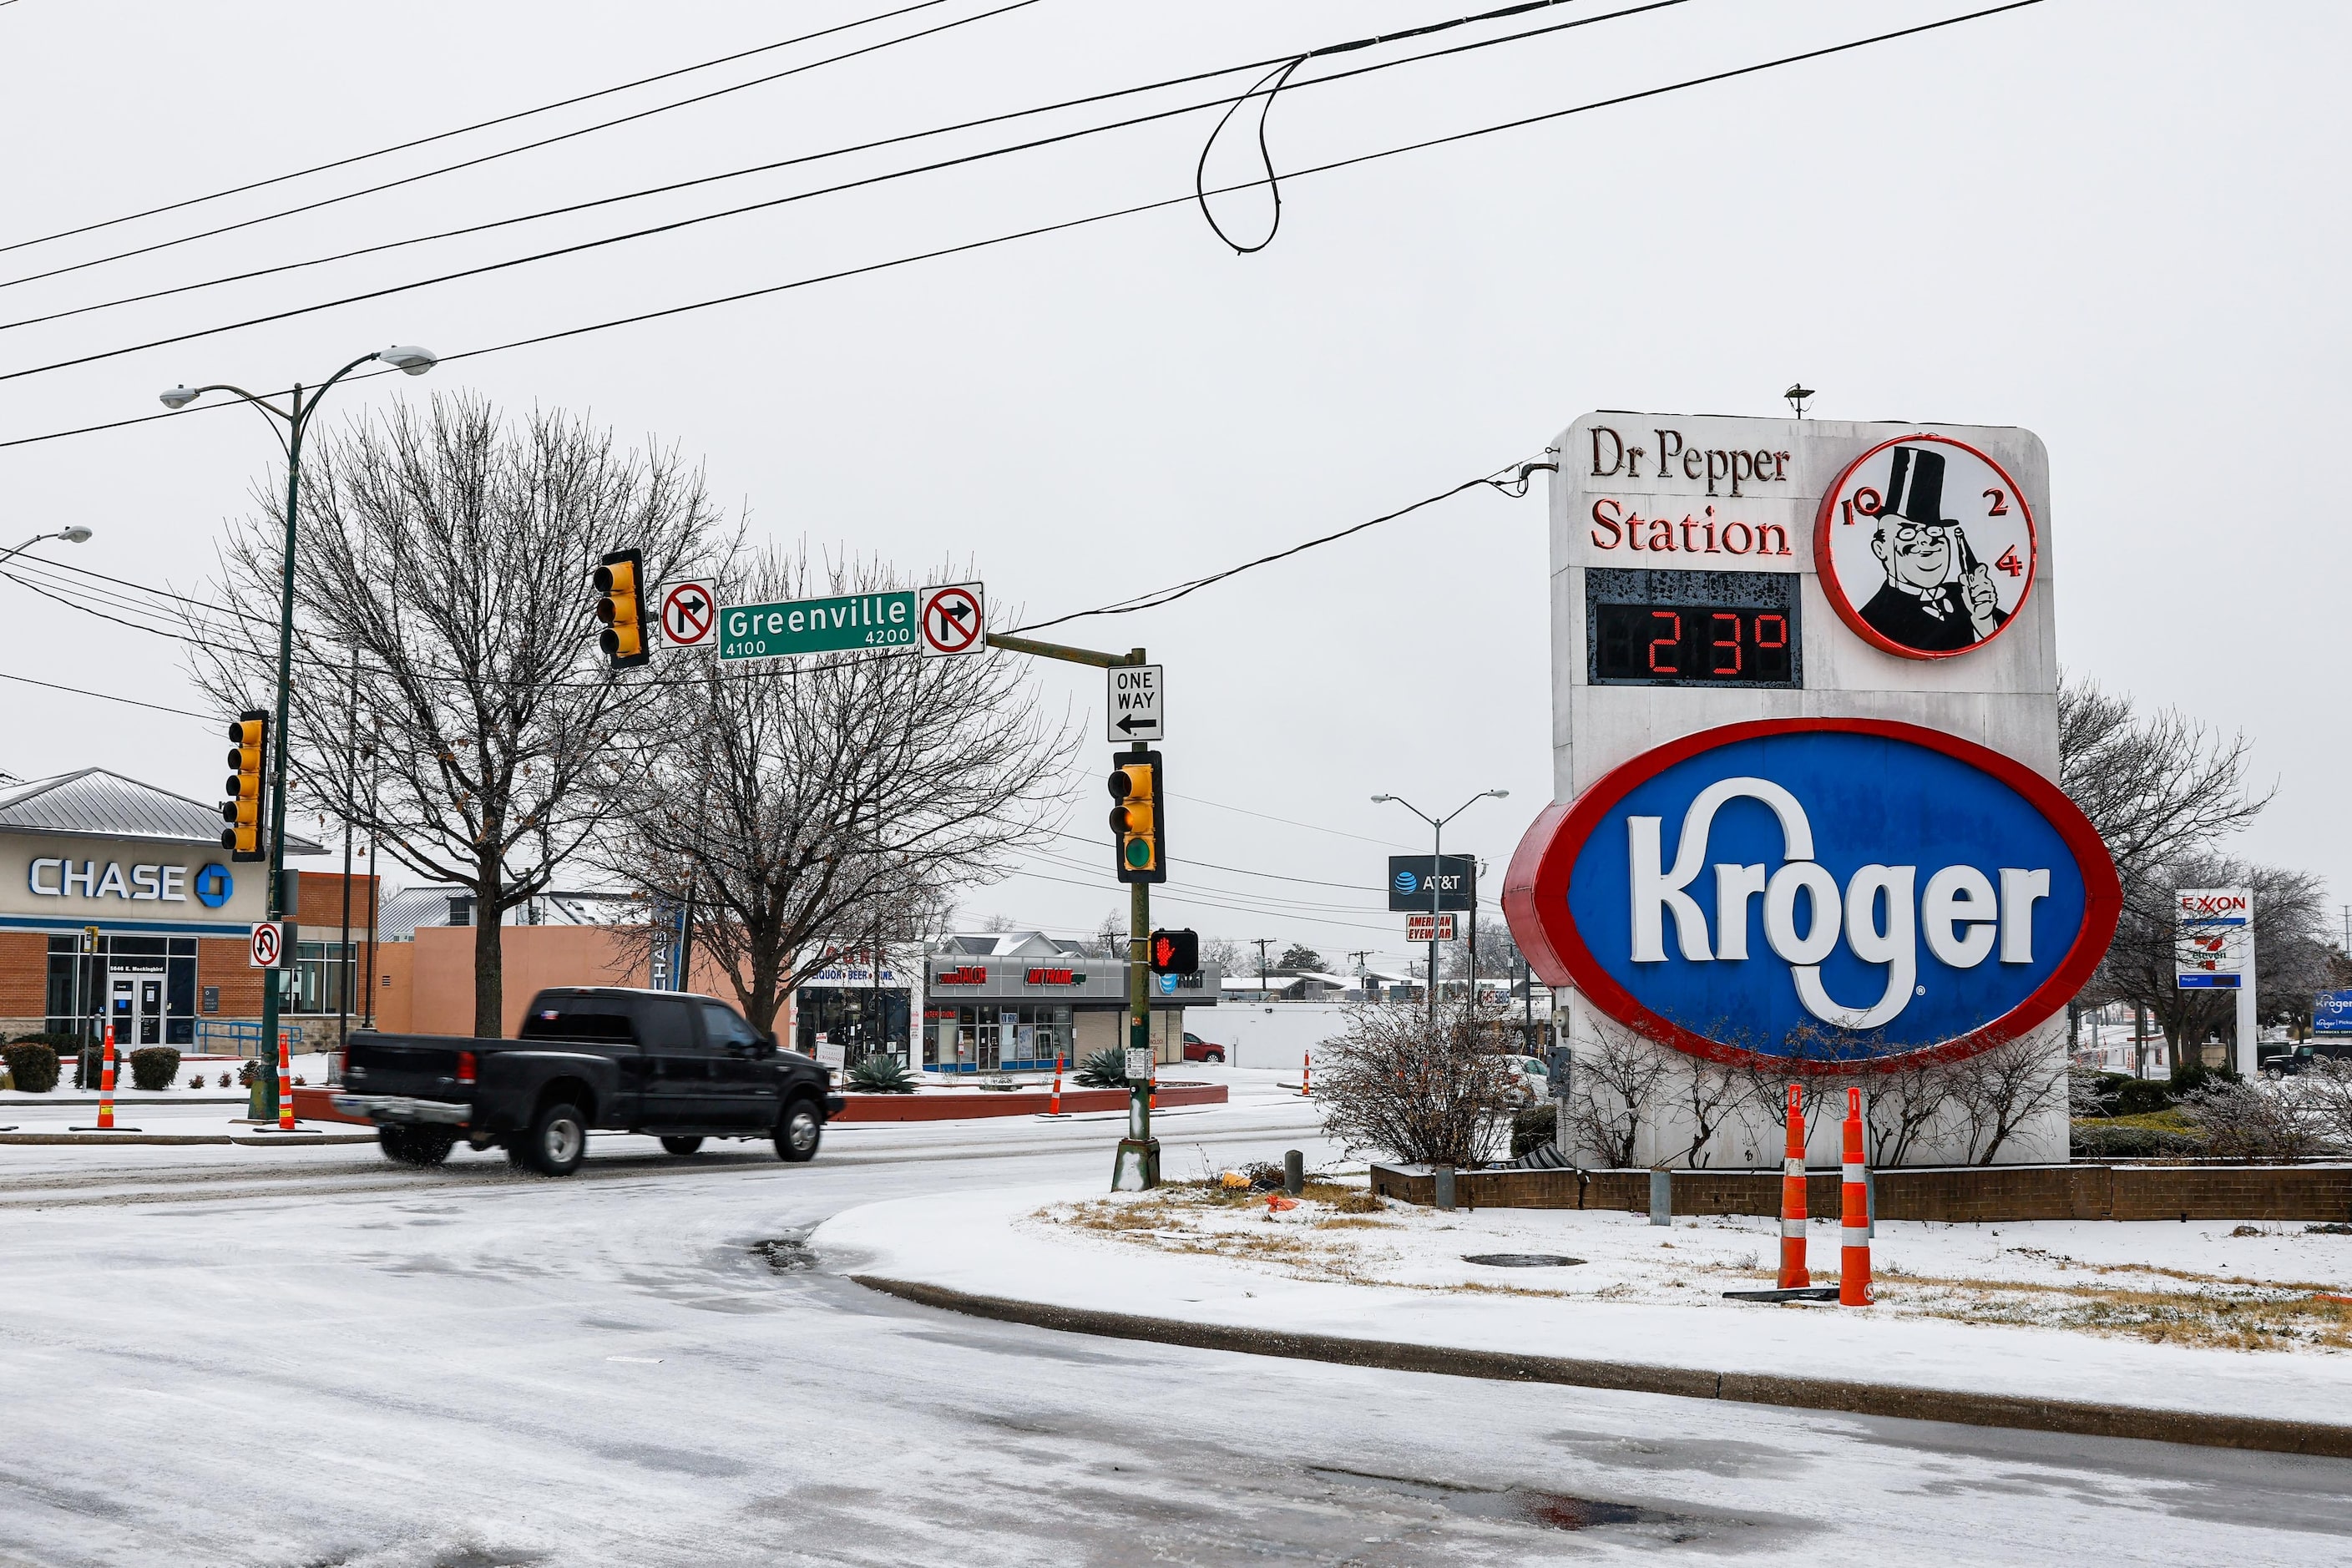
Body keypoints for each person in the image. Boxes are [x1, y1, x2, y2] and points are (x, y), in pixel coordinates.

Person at [1857, 445, 2005, 652]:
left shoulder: (1969, 596)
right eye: (1908, 532)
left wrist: (1983, 622)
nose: (1926, 541)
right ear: (1881, 548)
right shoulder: (1873, 617)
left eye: (1934, 531)